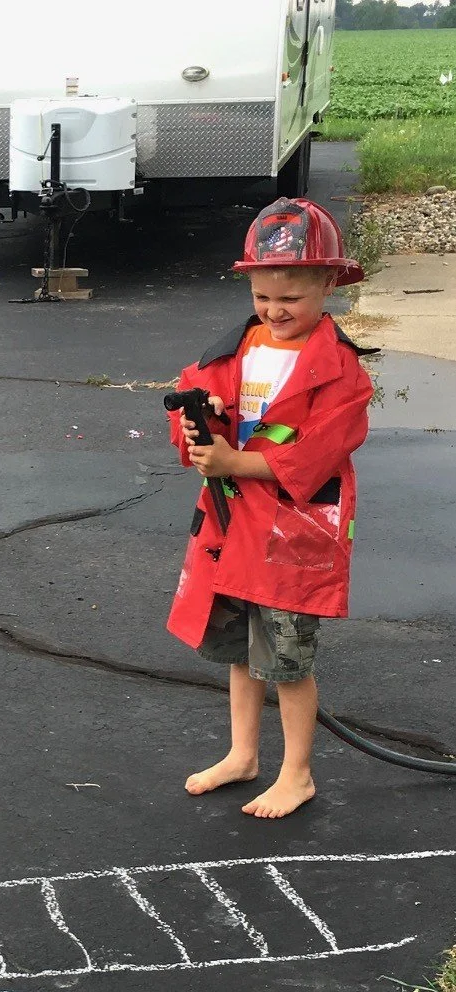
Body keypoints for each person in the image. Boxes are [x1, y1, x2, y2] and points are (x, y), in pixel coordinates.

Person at [166, 198, 374, 819]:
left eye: (290, 298)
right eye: (262, 296)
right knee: (240, 653)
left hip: (292, 533)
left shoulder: (341, 371)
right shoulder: (236, 349)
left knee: (287, 663)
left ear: (329, 284)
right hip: (235, 528)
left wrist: (233, 461)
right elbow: (193, 408)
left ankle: (297, 773)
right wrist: (201, 423)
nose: (274, 310)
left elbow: (315, 454)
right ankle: (243, 755)